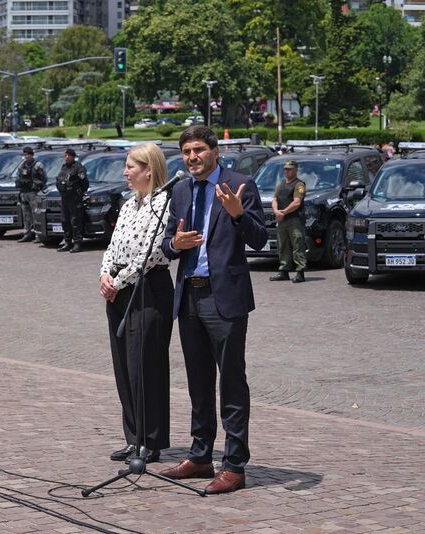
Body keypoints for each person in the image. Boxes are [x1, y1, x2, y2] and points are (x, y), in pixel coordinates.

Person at [159, 125, 267, 495]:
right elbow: (168, 244)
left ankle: (234, 465)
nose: (192, 158)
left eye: (199, 150)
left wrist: (237, 213)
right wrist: (174, 242)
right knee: (198, 382)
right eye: (187, 151)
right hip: (189, 295)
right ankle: (201, 454)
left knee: (232, 381)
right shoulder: (180, 189)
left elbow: (259, 238)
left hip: (226, 299)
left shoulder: (240, 185)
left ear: (215, 151)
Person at [99, 143, 173, 465]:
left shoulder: (163, 204)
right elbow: (112, 245)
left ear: (149, 171)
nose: (125, 172)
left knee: (145, 366)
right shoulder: (129, 205)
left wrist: (119, 280)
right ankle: (133, 437)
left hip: (148, 289)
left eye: (131, 167)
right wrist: (104, 274)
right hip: (119, 290)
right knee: (124, 367)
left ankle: (151, 441)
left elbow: (151, 252)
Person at [270, 160, 306, 283]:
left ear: (296, 170)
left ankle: (300, 272)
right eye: (286, 169)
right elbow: (274, 198)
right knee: (283, 245)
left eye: (290, 169)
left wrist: (283, 212)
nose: (287, 171)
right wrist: (276, 211)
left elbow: (297, 202)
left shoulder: (299, 185)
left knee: (297, 245)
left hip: (294, 220)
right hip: (282, 220)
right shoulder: (281, 184)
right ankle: (284, 271)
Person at [55, 148, 89, 253]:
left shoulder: (78, 168)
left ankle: (77, 243)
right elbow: (59, 180)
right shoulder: (64, 167)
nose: (66, 157)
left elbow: (85, 183)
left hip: (75, 198)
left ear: (73, 156)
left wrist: (78, 192)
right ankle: (67, 242)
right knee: (65, 221)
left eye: (68, 156)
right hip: (65, 198)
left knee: (75, 221)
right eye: (65, 155)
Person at [15, 146, 47, 242]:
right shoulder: (22, 165)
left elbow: (44, 179)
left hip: (33, 193)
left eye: (28, 154)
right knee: (26, 215)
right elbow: (17, 177)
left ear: (32, 155)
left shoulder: (38, 165)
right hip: (24, 193)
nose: (26, 156)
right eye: (25, 154)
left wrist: (36, 185)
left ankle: (38, 235)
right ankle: (27, 234)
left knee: (36, 215)